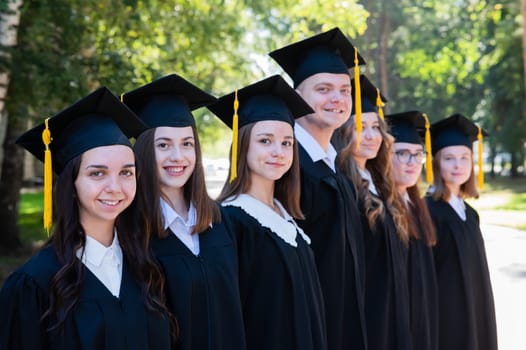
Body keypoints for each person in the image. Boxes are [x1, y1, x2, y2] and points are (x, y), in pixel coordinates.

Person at [0, 87, 173, 349]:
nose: (115, 187)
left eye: (126, 173)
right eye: (97, 174)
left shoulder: (147, 267)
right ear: (71, 184)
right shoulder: (34, 285)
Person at [122, 73, 246, 350]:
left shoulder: (221, 221)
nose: (177, 156)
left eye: (187, 144)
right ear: (143, 150)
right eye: (163, 144)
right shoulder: (130, 231)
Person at [210, 75, 327, 350]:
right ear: (242, 145)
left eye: (287, 143)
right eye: (265, 141)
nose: (279, 151)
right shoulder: (230, 220)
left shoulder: (289, 220)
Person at [268, 27, 368, 350]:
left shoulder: (336, 169)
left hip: (345, 324)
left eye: (344, 90)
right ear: (296, 96)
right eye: (324, 89)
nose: (338, 99)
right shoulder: (285, 168)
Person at [333, 75, 413, 350]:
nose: (370, 136)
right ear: (343, 133)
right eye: (359, 127)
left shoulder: (380, 183)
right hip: (368, 312)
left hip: (393, 309)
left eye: (375, 127)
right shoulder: (342, 185)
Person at [426, 113, 497, 350]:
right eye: (448, 158)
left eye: (464, 158)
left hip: (476, 312)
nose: (458, 165)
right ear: (435, 162)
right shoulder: (427, 211)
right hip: (446, 320)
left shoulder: (469, 214)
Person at [386, 110, 438, 350]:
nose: (412, 162)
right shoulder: (381, 210)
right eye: (402, 153)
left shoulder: (419, 208)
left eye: (418, 155)